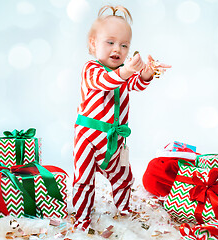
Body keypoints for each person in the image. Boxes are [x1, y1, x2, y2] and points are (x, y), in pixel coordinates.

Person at [72, 5, 171, 230]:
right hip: (88, 138)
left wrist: (147, 72)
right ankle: (81, 218)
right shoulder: (91, 69)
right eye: (110, 42)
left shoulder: (122, 74)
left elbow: (135, 84)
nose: (117, 49)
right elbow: (106, 82)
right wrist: (126, 71)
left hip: (114, 140)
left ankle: (124, 210)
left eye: (124, 45)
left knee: (123, 177)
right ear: (93, 43)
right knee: (83, 180)